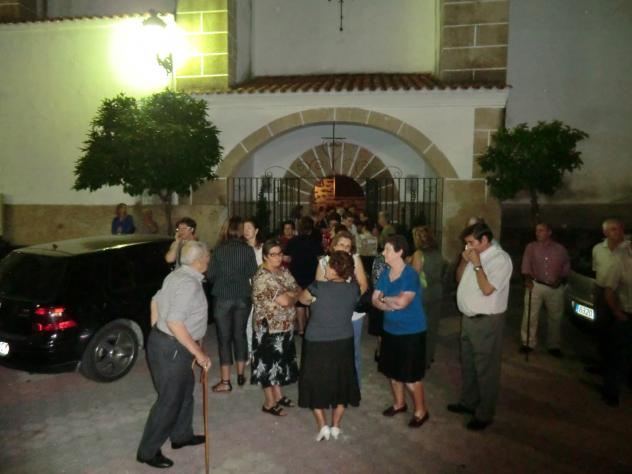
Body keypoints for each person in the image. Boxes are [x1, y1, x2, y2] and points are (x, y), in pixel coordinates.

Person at [136, 241, 212, 469]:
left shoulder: (177, 274)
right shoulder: (188, 283)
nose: (209, 260)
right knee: (169, 400)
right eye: (207, 256)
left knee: (185, 392)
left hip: (170, 344)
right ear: (199, 261)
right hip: (173, 348)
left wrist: (156, 329)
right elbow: (175, 322)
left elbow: (155, 300)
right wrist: (199, 353)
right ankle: (148, 452)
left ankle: (181, 435)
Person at [448, 223, 512, 431]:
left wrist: (476, 264)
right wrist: (463, 261)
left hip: (486, 321)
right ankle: (468, 402)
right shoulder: (475, 255)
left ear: (484, 240)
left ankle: (485, 413)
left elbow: (486, 289)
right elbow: (459, 279)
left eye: (471, 242)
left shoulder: (500, 259)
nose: (468, 247)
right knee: (468, 364)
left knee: (486, 369)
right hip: (468, 320)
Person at [299, 251, 361, 441]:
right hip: (343, 341)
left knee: (315, 383)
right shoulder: (354, 289)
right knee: (342, 382)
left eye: (329, 265)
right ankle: (336, 426)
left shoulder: (317, 287)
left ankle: (323, 426)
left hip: (317, 342)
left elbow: (302, 299)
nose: (325, 267)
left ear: (335, 270)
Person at [371, 235, 430, 429]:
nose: (383, 253)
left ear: (399, 252)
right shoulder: (386, 272)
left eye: (387, 249)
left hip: (411, 331)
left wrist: (385, 299)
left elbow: (403, 302)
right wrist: (389, 302)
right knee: (392, 372)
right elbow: (374, 299)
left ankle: (421, 412)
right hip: (390, 330)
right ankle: (399, 404)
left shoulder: (410, 274)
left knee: (411, 377)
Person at [207, 216, 258, 392]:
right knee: (240, 335)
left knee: (224, 338)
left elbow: (210, 275)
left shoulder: (218, 250)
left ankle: (226, 381)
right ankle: (241, 375)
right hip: (243, 296)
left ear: (227, 230)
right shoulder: (248, 250)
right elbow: (253, 272)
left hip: (222, 297)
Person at [251, 240, 300, 416]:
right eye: (273, 254)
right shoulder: (262, 277)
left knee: (280, 364)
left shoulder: (283, 270)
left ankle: (278, 396)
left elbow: (298, 289)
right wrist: (291, 297)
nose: (278, 257)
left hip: (285, 326)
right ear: (265, 256)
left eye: (280, 253)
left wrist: (291, 296)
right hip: (268, 328)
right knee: (268, 365)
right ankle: (269, 403)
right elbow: (286, 300)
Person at [315, 230, 369, 386]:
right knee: (331, 352)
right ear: (333, 246)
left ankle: (354, 387)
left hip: (353, 315)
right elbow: (318, 288)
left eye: (347, 246)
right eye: (341, 245)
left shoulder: (355, 259)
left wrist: (349, 301)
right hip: (331, 315)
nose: (344, 248)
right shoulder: (324, 262)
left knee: (353, 352)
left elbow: (363, 285)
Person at [519, 222, 570, 357]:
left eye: (541, 230)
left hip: (555, 287)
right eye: (537, 230)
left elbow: (566, 266)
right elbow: (526, 264)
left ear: (549, 232)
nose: (537, 233)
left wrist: (560, 279)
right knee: (530, 315)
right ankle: (528, 342)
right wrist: (527, 279)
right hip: (536, 285)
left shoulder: (560, 249)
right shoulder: (531, 247)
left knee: (555, 317)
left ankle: (554, 345)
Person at [410, 226, 444, 369]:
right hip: (437, 291)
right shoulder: (438, 253)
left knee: (420, 328)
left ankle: (420, 360)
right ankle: (429, 357)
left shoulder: (419, 254)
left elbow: (414, 276)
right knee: (432, 327)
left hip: (423, 294)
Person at [602, 244, 632, 406]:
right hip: (625, 315)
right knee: (618, 355)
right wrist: (617, 312)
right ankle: (611, 391)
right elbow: (609, 289)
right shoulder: (620, 260)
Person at [284, 216, 323, 335]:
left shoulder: (293, 241)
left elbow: (286, 257)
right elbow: (321, 259)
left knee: (299, 303)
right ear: (311, 229)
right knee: (311, 302)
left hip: (296, 275)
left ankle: (301, 330)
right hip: (312, 275)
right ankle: (311, 329)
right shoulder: (315, 242)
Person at [244, 217, 264, 360]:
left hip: (261, 289)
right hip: (245, 289)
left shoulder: (262, 248)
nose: (246, 231)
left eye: (249, 228)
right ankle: (251, 351)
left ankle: (261, 349)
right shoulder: (241, 248)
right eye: (244, 228)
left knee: (260, 321)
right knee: (247, 322)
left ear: (256, 231)